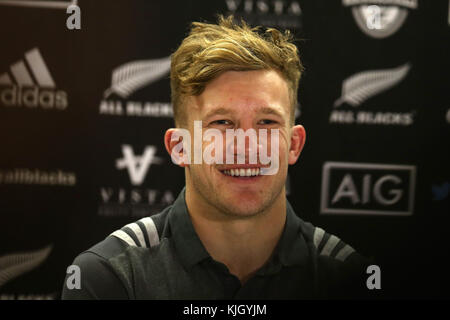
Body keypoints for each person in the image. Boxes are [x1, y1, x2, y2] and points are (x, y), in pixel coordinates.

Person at [62, 15, 372, 300]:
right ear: (179, 147)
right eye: (222, 123)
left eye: (267, 123)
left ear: (294, 144)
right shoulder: (110, 278)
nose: (247, 146)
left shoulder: (348, 277)